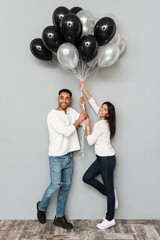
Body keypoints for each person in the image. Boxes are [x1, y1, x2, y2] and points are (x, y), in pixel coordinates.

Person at [37, 89, 87, 229]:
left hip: (69, 156)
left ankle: (59, 217)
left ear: (70, 100)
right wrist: (78, 120)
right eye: (61, 98)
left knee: (65, 187)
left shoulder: (71, 111)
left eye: (67, 98)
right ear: (58, 99)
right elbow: (67, 131)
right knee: (55, 185)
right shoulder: (52, 115)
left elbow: (83, 121)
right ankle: (41, 207)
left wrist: (83, 107)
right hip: (56, 156)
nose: (64, 101)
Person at [80, 82, 117, 230]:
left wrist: (87, 126)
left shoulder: (100, 124)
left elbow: (89, 142)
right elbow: (93, 103)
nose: (100, 109)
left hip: (106, 160)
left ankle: (110, 219)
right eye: (102, 107)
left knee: (107, 189)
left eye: (104, 109)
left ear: (107, 114)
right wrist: (84, 90)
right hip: (103, 158)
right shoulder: (105, 121)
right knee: (87, 177)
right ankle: (111, 192)